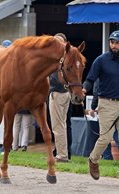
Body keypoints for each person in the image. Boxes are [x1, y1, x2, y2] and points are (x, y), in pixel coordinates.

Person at [82, 30, 119, 186]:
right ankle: (93, 159)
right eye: (111, 42)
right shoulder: (101, 60)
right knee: (106, 138)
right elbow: (90, 79)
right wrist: (83, 89)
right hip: (106, 103)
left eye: (117, 42)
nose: (113, 45)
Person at [48, 33, 71, 162]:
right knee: (61, 125)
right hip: (62, 93)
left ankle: (62, 155)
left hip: (59, 93)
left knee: (58, 126)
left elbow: (57, 79)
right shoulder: (64, 57)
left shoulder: (61, 59)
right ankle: (62, 153)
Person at [88, 79, 119, 160]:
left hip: (105, 108)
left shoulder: (100, 76)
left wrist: (93, 107)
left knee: (105, 133)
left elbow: (96, 92)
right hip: (118, 106)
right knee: (117, 133)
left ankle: (107, 156)